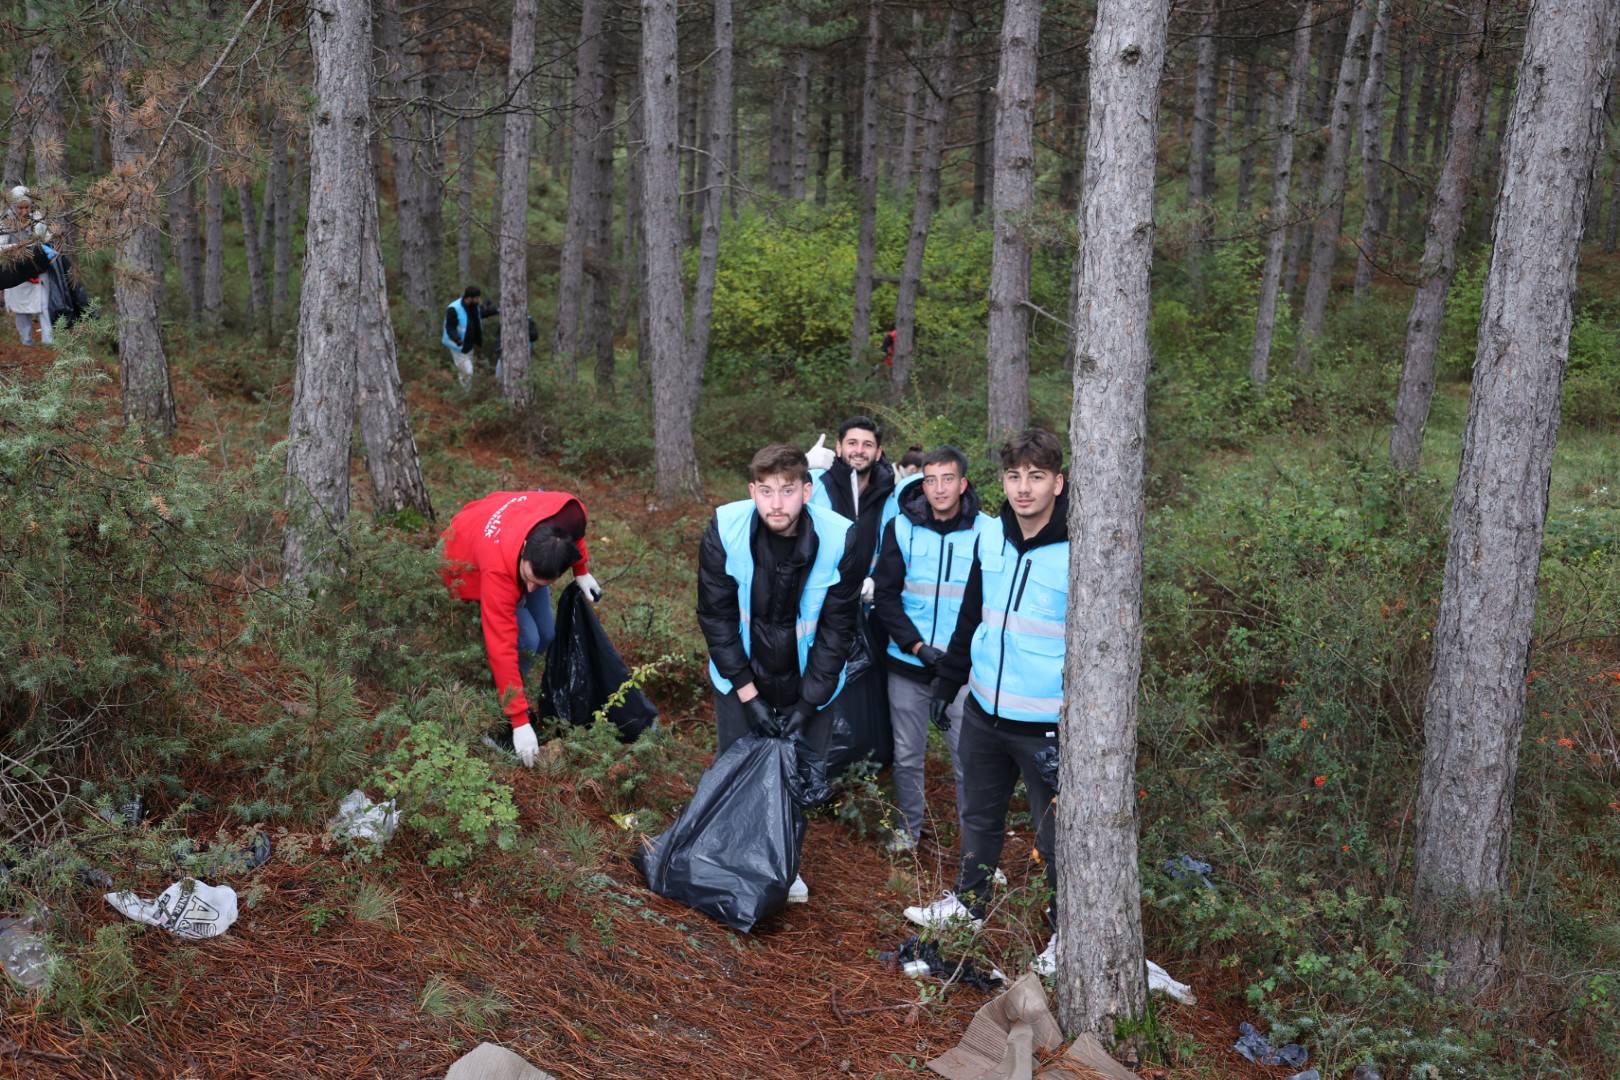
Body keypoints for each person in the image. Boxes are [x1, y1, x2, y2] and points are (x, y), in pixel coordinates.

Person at [901, 430, 1069, 977]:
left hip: (1044, 724)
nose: (1024, 488)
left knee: (1054, 835)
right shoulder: (990, 537)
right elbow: (971, 614)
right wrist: (948, 684)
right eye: (1015, 476)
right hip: (983, 713)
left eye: (1036, 476)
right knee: (977, 814)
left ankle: (1063, 932)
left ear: (1057, 482)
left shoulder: (1079, 547)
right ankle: (968, 906)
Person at [695, 444, 865, 904]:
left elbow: (836, 630)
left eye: (787, 490)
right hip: (740, 676)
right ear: (752, 491)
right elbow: (717, 616)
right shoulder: (726, 528)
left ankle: (785, 866)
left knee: (796, 773)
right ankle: (728, 860)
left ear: (806, 491)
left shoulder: (840, 538)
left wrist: (809, 703)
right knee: (736, 767)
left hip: (810, 679)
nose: (776, 503)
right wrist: (747, 693)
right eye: (765, 491)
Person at [870, 446, 993, 853]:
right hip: (908, 663)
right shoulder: (902, 527)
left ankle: (972, 844)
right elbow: (885, 596)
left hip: (963, 673)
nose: (939, 489)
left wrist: (958, 659)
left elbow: (991, 602)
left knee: (968, 760)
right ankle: (908, 831)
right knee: (907, 755)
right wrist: (917, 646)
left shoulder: (987, 532)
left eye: (948, 479)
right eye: (931, 480)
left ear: (963, 483)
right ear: (922, 484)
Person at [441, 489, 603, 767]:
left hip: (513, 531)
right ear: (527, 546)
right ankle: (500, 712)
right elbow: (500, 644)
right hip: (465, 546)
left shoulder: (571, 515)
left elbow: (573, 540)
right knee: (526, 639)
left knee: (546, 635)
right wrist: (518, 720)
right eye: (528, 579)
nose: (528, 590)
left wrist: (581, 570)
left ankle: (511, 687)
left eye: (539, 584)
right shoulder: (497, 570)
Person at [805, 416, 896, 597]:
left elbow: (893, 554)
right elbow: (770, 504)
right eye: (852, 443)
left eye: (868, 445)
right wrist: (802, 464)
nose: (859, 451)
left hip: (862, 603)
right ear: (839, 448)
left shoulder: (890, 499)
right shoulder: (812, 483)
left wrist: (876, 579)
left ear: (878, 453)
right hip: (813, 597)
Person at [2, 187, 51, 346]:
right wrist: (18, 248)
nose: (24, 210)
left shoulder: (38, 219)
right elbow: (1, 245)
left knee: (43, 305)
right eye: (20, 207)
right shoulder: (5, 221)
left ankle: (48, 342)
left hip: (37, 268)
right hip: (16, 270)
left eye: (26, 207)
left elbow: (46, 238)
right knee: (20, 308)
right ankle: (26, 342)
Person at [442, 285, 498, 388]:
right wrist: (457, 339)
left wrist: (496, 310)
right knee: (468, 372)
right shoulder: (454, 308)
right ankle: (466, 395)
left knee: (464, 372)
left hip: (469, 346)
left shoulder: (473, 307)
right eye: (477, 298)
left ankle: (464, 392)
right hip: (458, 346)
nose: (479, 300)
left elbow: (480, 314)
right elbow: (450, 327)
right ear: (470, 298)